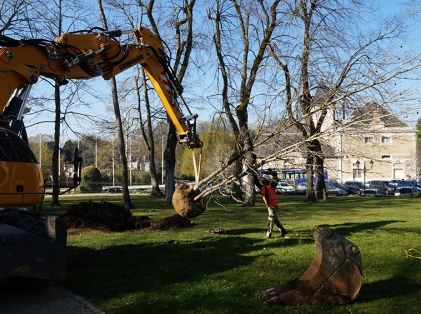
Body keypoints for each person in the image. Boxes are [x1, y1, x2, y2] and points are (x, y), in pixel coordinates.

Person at [256, 170, 288, 238]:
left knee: (270, 220)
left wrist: (254, 174)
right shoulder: (272, 185)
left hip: (271, 206)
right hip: (274, 205)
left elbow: (256, 182)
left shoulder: (263, 187)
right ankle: (283, 231)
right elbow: (276, 179)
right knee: (275, 220)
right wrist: (273, 173)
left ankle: (268, 234)